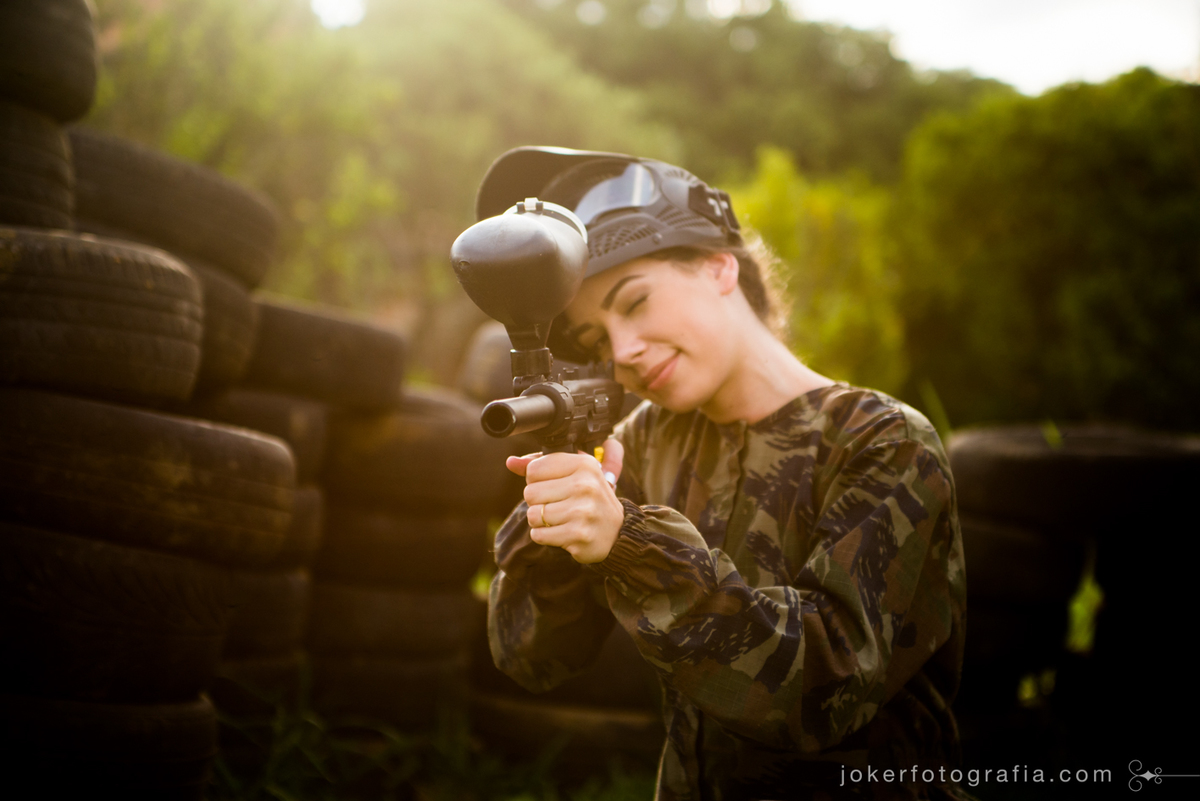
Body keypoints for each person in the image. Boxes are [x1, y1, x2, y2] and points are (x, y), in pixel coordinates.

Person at [479, 147, 969, 801]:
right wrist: (560, 537)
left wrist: (627, 541)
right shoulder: (645, 443)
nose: (621, 352)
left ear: (718, 266)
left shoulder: (881, 439)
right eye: (596, 340)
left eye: (635, 301)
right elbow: (532, 656)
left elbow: (826, 690)